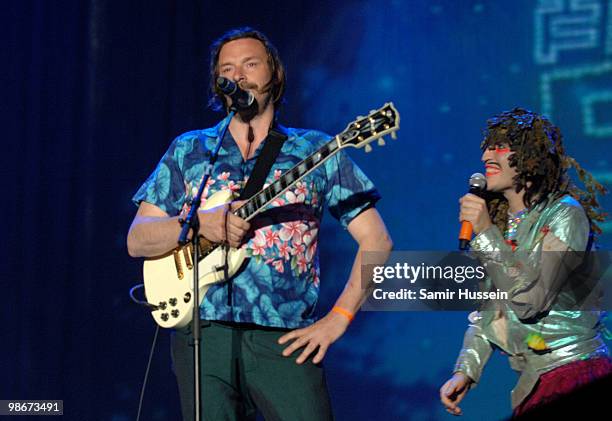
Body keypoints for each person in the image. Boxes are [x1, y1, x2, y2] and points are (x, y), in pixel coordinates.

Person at [127, 27, 392, 420]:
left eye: (251, 64)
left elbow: (377, 240)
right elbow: (138, 240)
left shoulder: (315, 150)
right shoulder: (191, 149)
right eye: (228, 69)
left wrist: (339, 318)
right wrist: (201, 223)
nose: (239, 75)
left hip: (285, 336)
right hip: (204, 333)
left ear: (275, 74)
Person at [439, 108, 611, 416]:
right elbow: (491, 310)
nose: (485, 156)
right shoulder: (501, 228)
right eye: (486, 147)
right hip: (532, 383)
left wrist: (486, 233)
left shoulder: (564, 215)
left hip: (574, 371)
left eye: (499, 146)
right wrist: (466, 369)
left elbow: (531, 300)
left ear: (530, 155)